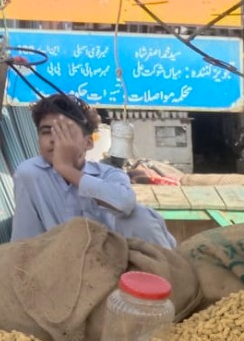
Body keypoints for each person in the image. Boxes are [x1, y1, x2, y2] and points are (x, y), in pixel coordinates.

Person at [11, 93, 176, 248]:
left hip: (111, 257)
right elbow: (24, 238)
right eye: (46, 132)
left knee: (139, 216)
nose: (55, 140)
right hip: (59, 260)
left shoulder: (109, 174)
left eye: (65, 132)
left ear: (88, 143)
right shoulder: (29, 174)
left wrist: (66, 169)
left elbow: (125, 203)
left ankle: (166, 267)